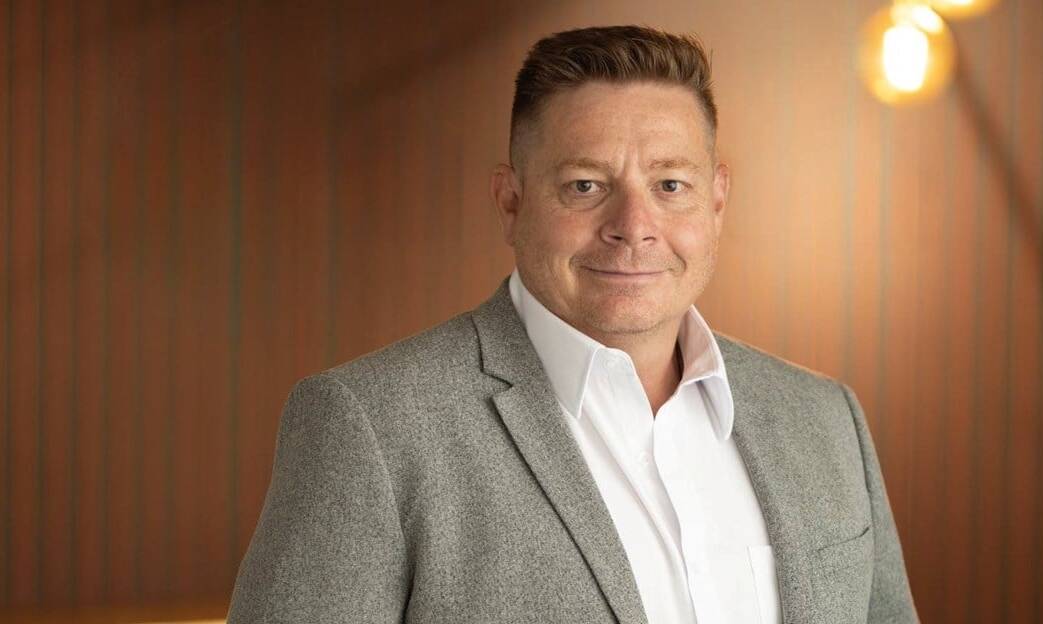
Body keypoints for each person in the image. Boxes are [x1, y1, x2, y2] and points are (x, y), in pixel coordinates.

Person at [227, 25, 918, 624]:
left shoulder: (824, 419)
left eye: (669, 185)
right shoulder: (371, 426)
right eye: (585, 185)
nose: (633, 227)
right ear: (511, 201)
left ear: (715, 201)